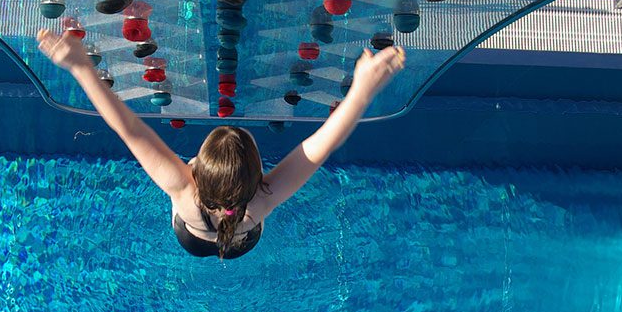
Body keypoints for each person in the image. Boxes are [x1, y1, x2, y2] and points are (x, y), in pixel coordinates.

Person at [36, 28, 406, 259]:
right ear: (257, 173)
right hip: (245, 236)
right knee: (234, 216)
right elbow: (321, 145)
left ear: (197, 168)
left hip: (192, 237)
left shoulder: (185, 188)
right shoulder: (262, 197)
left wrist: (82, 67)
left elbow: (129, 129)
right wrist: (362, 90)